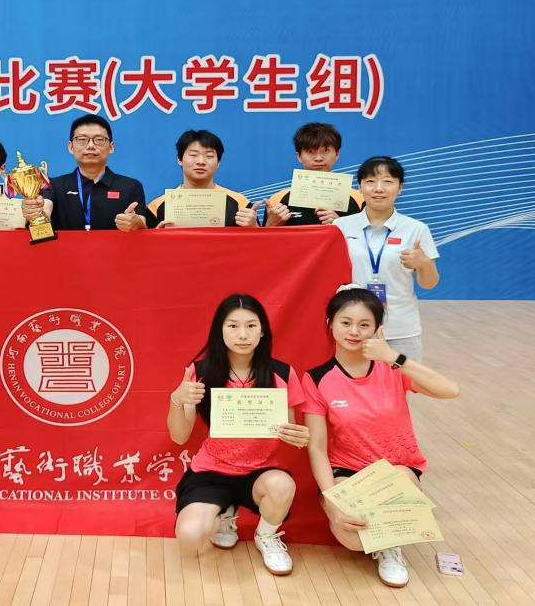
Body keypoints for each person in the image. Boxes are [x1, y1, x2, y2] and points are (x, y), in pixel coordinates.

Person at [303, 287, 459, 588]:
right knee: (351, 539)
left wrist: (394, 357)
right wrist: (332, 501)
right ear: (330, 324)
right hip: (348, 472)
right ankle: (382, 532)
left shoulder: (394, 368)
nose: (354, 331)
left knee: (399, 481)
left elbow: (451, 390)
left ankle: (389, 547)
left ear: (377, 328)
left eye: (364, 324)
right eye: (345, 322)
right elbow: (317, 448)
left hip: (397, 470)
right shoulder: (317, 378)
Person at [168, 294, 309, 576]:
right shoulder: (200, 372)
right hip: (212, 471)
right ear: (219, 330)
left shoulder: (282, 373)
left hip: (260, 472)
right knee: (190, 537)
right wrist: (177, 399)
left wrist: (298, 436)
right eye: (233, 326)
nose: (242, 335)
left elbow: (289, 428)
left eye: (251, 326)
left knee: (282, 486)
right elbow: (180, 437)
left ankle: (266, 536)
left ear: (262, 331)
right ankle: (224, 512)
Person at [333, 157, 439, 361]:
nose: (378, 189)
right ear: (360, 187)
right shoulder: (340, 226)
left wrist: (424, 263)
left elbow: (429, 284)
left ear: (400, 187)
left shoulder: (416, 229)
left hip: (400, 328)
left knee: (403, 380)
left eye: (388, 181)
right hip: (353, 329)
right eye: (370, 181)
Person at [21, 114, 147, 231]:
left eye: (99, 139)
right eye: (82, 139)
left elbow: (141, 224)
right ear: (70, 147)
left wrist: (135, 223)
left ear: (111, 147)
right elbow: (45, 208)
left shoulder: (131, 186)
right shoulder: (53, 185)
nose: (91, 145)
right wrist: (36, 212)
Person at [147, 130, 259, 228]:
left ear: (218, 162)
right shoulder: (156, 207)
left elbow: (257, 243)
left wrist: (254, 227)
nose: (201, 161)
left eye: (209, 156)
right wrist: (155, 236)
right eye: (193, 155)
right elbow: (146, 243)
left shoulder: (240, 204)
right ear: (179, 160)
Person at [265, 123, 363, 226]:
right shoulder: (278, 200)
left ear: (337, 154)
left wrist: (341, 224)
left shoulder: (359, 199)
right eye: (310, 151)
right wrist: (270, 225)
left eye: (325, 151)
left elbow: (368, 235)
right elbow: (264, 236)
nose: (318, 158)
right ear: (299, 156)